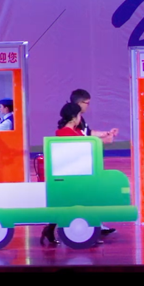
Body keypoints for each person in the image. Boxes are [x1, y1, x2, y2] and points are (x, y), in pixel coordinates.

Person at [41, 103, 105, 246]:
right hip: (71, 176)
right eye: (79, 115)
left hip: (78, 174)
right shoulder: (65, 133)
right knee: (78, 205)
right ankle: (87, 235)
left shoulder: (74, 131)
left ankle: (50, 230)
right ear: (74, 117)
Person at [69, 89, 119, 234]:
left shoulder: (80, 120)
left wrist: (105, 134)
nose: (88, 106)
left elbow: (88, 133)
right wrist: (102, 141)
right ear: (79, 103)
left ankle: (95, 224)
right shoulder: (71, 121)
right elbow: (79, 142)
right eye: (87, 103)